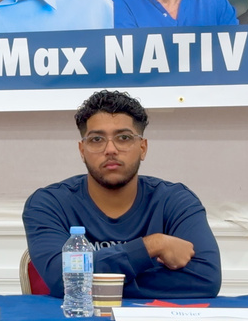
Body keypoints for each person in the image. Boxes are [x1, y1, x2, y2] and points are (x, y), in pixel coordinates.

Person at [22, 90, 221, 299]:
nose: (110, 149)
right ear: (82, 150)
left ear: (142, 148)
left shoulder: (176, 201)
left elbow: (206, 279)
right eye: (97, 139)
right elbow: (58, 278)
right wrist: (151, 246)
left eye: (124, 138)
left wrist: (92, 282)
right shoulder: (49, 204)